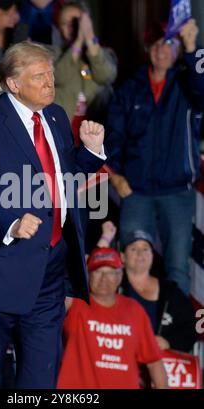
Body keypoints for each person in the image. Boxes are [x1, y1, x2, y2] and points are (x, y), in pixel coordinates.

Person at [0, 40, 105, 389]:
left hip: (47, 272)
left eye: (50, 74)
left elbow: (62, 181)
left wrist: (90, 155)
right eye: (40, 76)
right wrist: (11, 222)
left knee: (41, 379)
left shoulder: (57, 116)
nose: (50, 82)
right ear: (14, 84)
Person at [105, 19, 204, 295]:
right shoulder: (130, 88)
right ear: (149, 49)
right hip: (136, 192)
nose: (163, 50)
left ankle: (177, 336)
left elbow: (202, 89)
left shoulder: (187, 85)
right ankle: (135, 333)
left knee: (176, 267)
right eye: (158, 44)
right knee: (132, 265)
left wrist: (192, 47)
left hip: (177, 191)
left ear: (177, 50)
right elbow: (113, 137)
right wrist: (115, 176)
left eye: (170, 43)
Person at [57, 246, 168, 389]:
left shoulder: (134, 310)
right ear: (88, 275)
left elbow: (154, 362)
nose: (104, 279)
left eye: (110, 273)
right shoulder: (76, 304)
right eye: (98, 272)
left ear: (120, 276)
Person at [120, 230, 198, 353]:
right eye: (133, 249)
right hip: (119, 360)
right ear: (122, 257)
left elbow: (190, 329)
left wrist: (168, 342)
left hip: (161, 364)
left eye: (145, 249)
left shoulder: (171, 292)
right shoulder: (112, 287)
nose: (140, 254)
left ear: (152, 256)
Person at [54, 0, 117, 127]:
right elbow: (58, 77)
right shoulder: (54, 54)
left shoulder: (103, 53)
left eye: (75, 22)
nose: (71, 27)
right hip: (64, 129)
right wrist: (78, 42)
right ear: (59, 28)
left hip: (96, 127)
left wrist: (88, 37)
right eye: (65, 24)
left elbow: (106, 76)